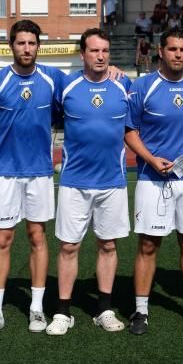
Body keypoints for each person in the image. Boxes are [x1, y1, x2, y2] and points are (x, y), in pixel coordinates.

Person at [0, 20, 62, 339]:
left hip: (39, 173)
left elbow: (88, 82)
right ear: (11, 45)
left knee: (37, 237)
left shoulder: (53, 78)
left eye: (32, 43)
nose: (27, 48)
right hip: (4, 174)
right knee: (2, 239)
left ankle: (36, 307)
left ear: (39, 46)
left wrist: (114, 73)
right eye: (21, 43)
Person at [125, 27, 183, 335]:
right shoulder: (143, 86)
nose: (178, 54)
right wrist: (149, 158)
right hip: (152, 178)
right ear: (161, 51)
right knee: (149, 244)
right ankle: (140, 311)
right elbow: (129, 131)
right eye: (172, 49)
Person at [47, 29, 132, 336]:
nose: (100, 56)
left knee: (108, 245)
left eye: (105, 51)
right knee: (69, 246)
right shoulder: (65, 85)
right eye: (94, 51)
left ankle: (104, 309)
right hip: (74, 181)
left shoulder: (123, 85)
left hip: (112, 181)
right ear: (82, 54)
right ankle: (62, 312)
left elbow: (133, 128)